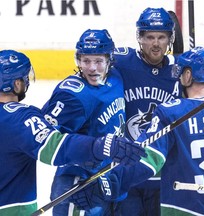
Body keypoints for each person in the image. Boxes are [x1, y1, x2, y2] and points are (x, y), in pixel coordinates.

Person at [70, 47, 204, 215]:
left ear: (188, 75)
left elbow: (146, 160)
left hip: (186, 209)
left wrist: (107, 184)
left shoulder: (172, 113)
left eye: (181, 72)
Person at [0, 49, 146, 216]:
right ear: (16, 84)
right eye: (24, 78)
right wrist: (99, 146)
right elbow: (55, 148)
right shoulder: (18, 118)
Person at [41, 29, 134, 215]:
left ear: (109, 61)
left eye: (98, 61)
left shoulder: (116, 77)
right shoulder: (72, 95)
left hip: (110, 177)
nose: (92, 68)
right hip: (78, 183)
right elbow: (45, 136)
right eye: (86, 61)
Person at [113, 7, 182, 215]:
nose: (155, 43)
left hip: (163, 172)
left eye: (162, 37)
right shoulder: (122, 62)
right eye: (149, 37)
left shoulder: (181, 71)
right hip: (128, 169)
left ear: (170, 39)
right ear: (139, 38)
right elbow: (93, 61)